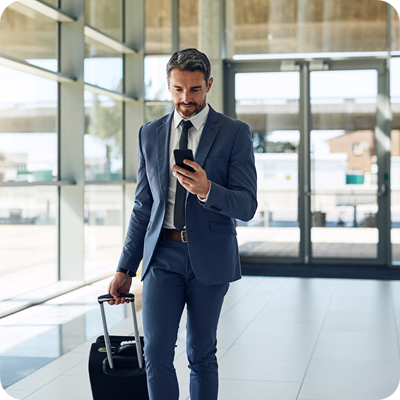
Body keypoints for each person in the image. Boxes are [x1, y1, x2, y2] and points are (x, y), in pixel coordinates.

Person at [107, 48, 257, 400]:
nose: (186, 99)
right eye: (178, 89)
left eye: (194, 89)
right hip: (162, 256)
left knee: (201, 353)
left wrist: (207, 190)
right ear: (168, 85)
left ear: (209, 85)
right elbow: (144, 206)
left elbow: (247, 205)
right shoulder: (150, 133)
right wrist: (125, 267)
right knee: (156, 352)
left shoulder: (234, 133)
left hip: (210, 256)